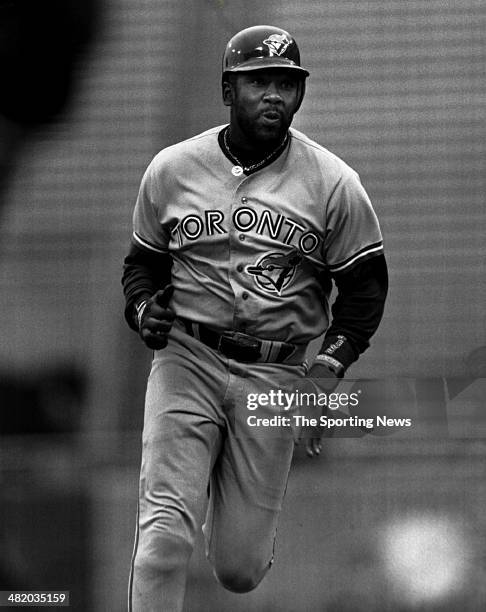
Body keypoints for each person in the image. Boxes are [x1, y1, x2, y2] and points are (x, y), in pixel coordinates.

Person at [122, 25, 388, 611]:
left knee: (239, 569)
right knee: (163, 537)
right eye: (258, 82)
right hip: (187, 359)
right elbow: (141, 266)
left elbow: (365, 291)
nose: (273, 95)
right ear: (228, 89)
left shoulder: (334, 184)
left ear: (299, 94)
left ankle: (234, 498)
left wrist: (329, 369)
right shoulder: (171, 169)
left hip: (276, 374)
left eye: (286, 84)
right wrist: (143, 309)